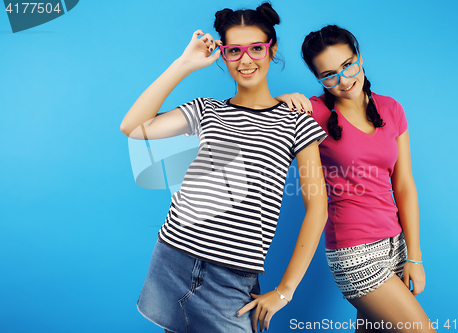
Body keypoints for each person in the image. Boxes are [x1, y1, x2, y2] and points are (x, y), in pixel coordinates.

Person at [120, 3, 328, 333]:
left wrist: (284, 292)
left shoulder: (296, 121)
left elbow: (318, 207)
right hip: (175, 254)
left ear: (271, 50)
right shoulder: (205, 110)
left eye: (256, 48)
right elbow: (133, 127)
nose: (246, 60)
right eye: (235, 51)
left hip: (235, 274)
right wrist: (184, 64)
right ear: (225, 56)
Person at [277, 25, 435, 332]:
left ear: (359, 57)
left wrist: (413, 257)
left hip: (396, 246)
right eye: (329, 75)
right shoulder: (315, 112)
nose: (344, 80)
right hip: (354, 252)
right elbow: (263, 113)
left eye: (348, 65)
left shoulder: (391, 108)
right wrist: (284, 98)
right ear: (318, 79)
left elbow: (404, 186)